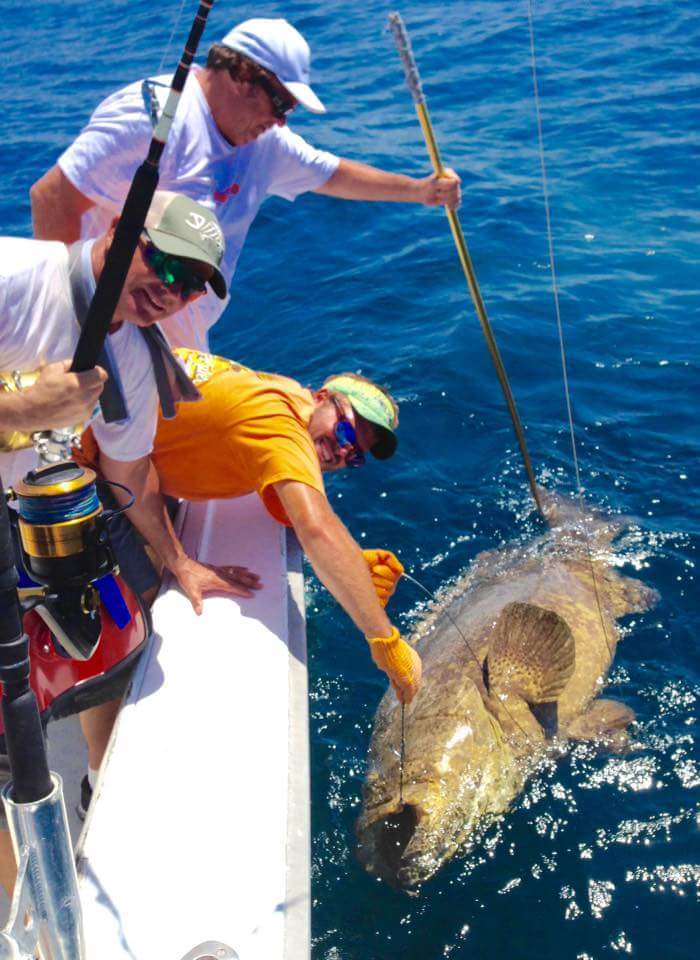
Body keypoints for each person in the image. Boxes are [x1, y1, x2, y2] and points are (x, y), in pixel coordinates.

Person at [0, 192, 262, 898]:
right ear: (118, 228)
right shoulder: (13, 277)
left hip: (15, 529)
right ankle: (25, 916)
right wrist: (21, 410)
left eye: (193, 284)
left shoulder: (133, 359)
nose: (171, 290)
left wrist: (180, 562)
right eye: (164, 261)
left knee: (111, 641)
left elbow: (131, 472)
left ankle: (96, 793)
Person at [30, 17, 462, 351]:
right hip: (110, 336)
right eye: (281, 103)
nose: (281, 120)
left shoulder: (265, 142)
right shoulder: (151, 117)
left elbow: (330, 173)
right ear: (240, 75)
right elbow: (51, 198)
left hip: (181, 346)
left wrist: (420, 191)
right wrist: (72, 327)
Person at [79, 347, 422, 708]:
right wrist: (386, 643)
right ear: (322, 397)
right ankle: (101, 707)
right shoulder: (281, 428)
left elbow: (289, 500)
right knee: (138, 618)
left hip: (125, 450)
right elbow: (317, 528)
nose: (343, 450)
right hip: (83, 468)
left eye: (355, 456)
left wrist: (353, 566)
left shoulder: (287, 394)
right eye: (345, 430)